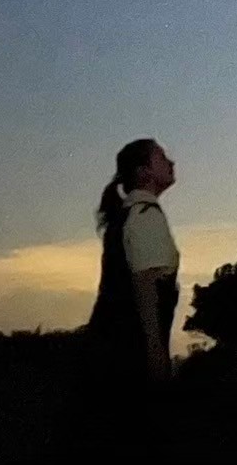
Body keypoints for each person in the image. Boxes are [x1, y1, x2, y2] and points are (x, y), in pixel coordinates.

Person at [80, 138, 181, 446]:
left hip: (112, 355)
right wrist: (156, 357)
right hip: (129, 360)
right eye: (162, 158)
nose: (172, 163)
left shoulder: (128, 216)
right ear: (144, 173)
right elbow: (145, 288)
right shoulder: (144, 216)